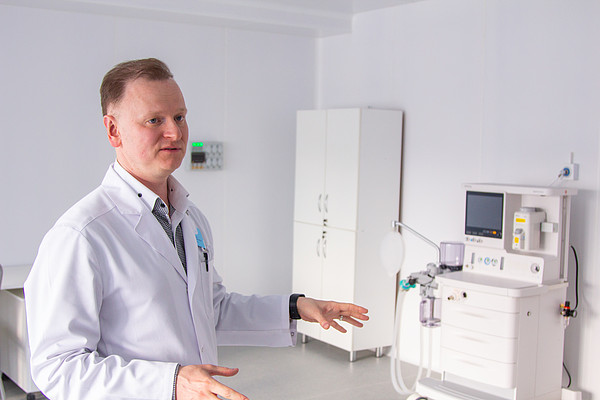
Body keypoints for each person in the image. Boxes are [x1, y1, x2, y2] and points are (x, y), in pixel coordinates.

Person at [24, 58, 369, 400]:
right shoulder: (81, 235)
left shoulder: (190, 218)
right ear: (113, 130)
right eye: (154, 120)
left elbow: (211, 309)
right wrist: (170, 383)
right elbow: (58, 367)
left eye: (179, 117)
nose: (175, 132)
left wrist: (296, 307)